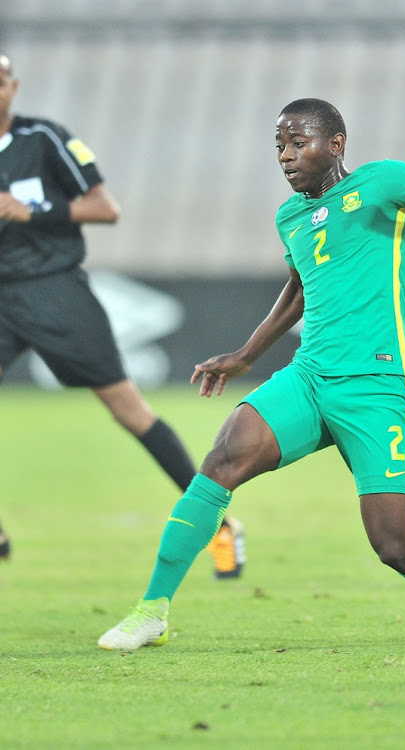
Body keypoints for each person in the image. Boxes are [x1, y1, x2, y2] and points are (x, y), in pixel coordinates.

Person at [99, 97, 405, 652]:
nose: (286, 157)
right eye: (279, 146)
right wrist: (247, 355)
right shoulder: (289, 216)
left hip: (376, 387)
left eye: (298, 143)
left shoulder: (384, 183)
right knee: (221, 459)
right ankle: (152, 609)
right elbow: (299, 288)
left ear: (335, 144)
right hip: (310, 377)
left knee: (395, 547)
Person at [0, 51, 243, 575]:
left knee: (128, 410)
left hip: (53, 290)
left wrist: (35, 210)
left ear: (13, 87)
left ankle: (220, 525)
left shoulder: (42, 139)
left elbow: (106, 207)